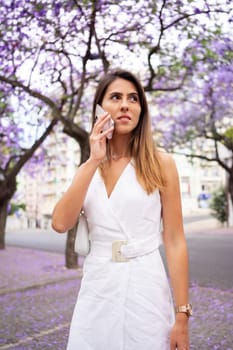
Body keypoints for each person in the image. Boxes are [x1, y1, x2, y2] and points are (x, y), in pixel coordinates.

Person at [52, 69, 191, 350]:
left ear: (141, 109)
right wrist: (93, 160)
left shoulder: (161, 163)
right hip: (98, 286)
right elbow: (59, 223)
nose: (125, 104)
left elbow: (175, 240)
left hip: (146, 284)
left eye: (133, 98)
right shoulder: (88, 168)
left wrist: (182, 316)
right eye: (115, 97)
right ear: (99, 108)